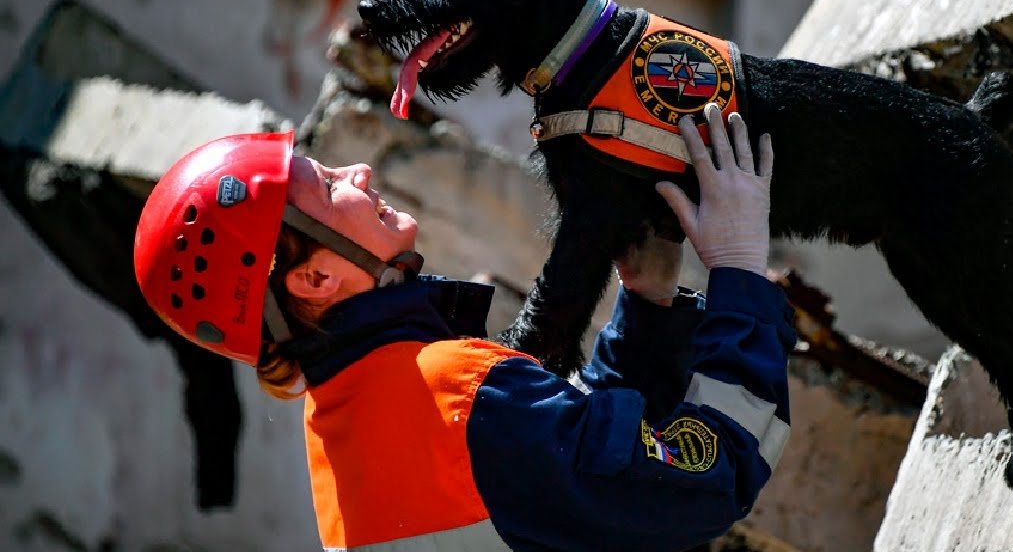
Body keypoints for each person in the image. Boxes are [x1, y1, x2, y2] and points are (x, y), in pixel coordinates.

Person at [133, 102, 795, 552]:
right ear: (314, 280)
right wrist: (739, 272)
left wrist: (647, 307)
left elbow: (565, 462)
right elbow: (707, 483)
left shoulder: (343, 424)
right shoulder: (456, 394)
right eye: (330, 186)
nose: (359, 171)